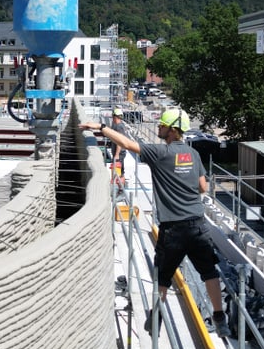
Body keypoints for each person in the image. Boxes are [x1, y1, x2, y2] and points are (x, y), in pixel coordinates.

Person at [80, 108, 230, 337]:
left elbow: (128, 145)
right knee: (209, 271)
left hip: (173, 229)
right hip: (198, 225)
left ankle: (157, 316)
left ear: (172, 130)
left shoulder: (161, 153)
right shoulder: (193, 154)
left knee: (162, 277)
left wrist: (101, 128)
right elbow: (203, 187)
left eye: (161, 125)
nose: (158, 128)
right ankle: (219, 316)